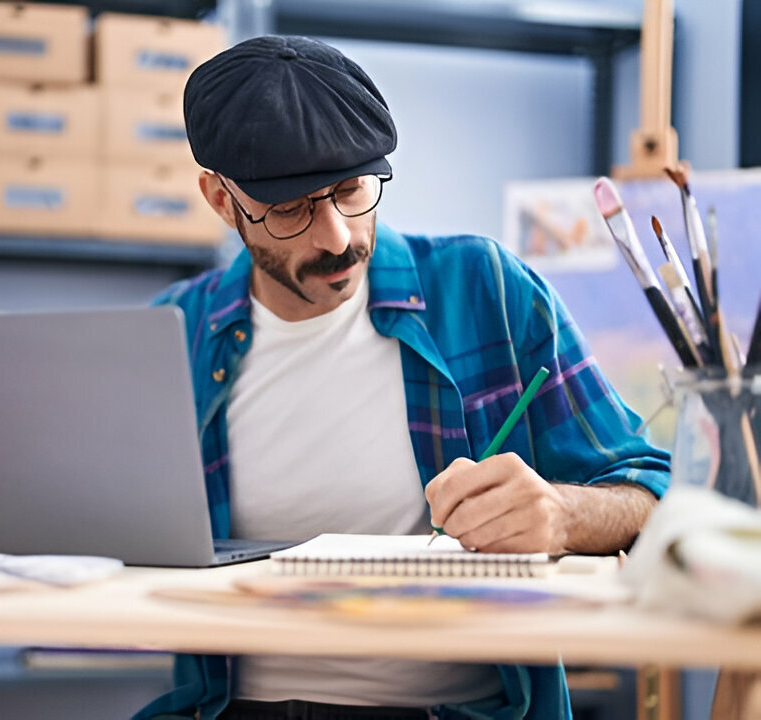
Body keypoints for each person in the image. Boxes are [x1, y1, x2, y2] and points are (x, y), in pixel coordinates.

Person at [133, 35, 670, 720]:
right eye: (292, 208)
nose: (336, 236)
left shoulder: (486, 290)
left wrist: (564, 516)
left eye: (352, 190)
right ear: (218, 198)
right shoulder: (173, 333)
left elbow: (656, 493)